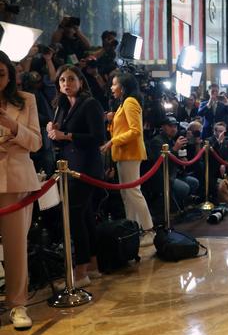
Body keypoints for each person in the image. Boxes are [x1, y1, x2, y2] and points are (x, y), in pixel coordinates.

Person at [47, 65, 105, 288]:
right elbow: (58, 140)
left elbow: (98, 137)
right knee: (86, 215)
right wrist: (53, 132)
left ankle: (80, 272)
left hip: (86, 168)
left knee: (74, 216)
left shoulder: (89, 104)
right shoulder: (61, 107)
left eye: (71, 79)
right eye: (62, 80)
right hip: (70, 167)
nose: (66, 84)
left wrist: (68, 135)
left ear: (80, 82)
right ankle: (92, 265)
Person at [0, 51, 42, 330]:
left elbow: (36, 142)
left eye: (1, 74)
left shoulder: (26, 100)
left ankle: (18, 305)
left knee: (16, 247)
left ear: (10, 74)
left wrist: (13, 126)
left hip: (16, 179)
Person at [100, 72, 155, 246]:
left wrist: (112, 141)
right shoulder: (124, 103)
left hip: (130, 153)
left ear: (123, 87)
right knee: (127, 193)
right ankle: (134, 229)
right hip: (125, 154)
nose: (111, 87)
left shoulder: (130, 102)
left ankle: (148, 229)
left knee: (132, 192)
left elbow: (135, 130)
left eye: (114, 84)